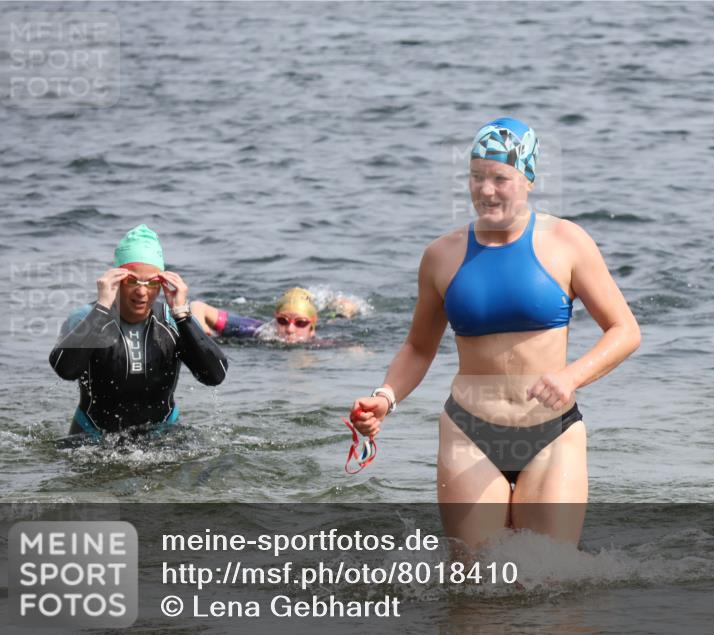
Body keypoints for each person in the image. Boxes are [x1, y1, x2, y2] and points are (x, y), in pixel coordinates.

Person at [349, 118, 641, 549]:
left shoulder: (567, 242)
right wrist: (386, 396)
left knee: (549, 576)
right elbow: (418, 347)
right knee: (475, 579)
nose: (486, 190)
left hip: (552, 432)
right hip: (469, 431)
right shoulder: (441, 256)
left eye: (500, 178)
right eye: (476, 177)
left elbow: (624, 330)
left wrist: (571, 377)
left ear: (528, 179)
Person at [49, 225, 228, 438]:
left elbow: (215, 375)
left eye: (152, 283)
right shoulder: (86, 317)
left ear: (162, 284)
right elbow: (65, 370)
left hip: (163, 435)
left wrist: (183, 315)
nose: (142, 291)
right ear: (116, 280)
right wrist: (102, 309)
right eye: (132, 280)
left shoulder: (174, 320)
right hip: (93, 437)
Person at [189, 287, 357, 343]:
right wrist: (202, 331)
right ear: (275, 318)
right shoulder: (255, 330)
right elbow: (198, 306)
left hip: (328, 327)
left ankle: (342, 310)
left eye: (300, 323)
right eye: (283, 321)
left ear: (312, 328)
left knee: (340, 317)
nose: (290, 329)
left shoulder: (323, 342)